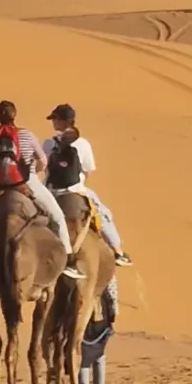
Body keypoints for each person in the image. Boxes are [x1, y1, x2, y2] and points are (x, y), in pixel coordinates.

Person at [0, 100, 80, 278]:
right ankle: (69, 261)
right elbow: (43, 160)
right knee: (58, 217)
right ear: (15, 115)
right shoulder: (27, 135)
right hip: (28, 183)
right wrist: (32, 174)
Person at [43, 104, 131, 271]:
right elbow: (88, 171)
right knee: (102, 213)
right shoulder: (83, 144)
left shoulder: (48, 143)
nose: (53, 123)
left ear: (62, 121)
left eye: (54, 119)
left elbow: (43, 166)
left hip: (50, 190)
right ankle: (118, 252)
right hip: (76, 190)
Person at [79, 282, 118, 384]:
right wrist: (112, 317)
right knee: (96, 358)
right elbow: (112, 294)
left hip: (85, 317)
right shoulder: (107, 276)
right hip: (97, 317)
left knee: (85, 360)